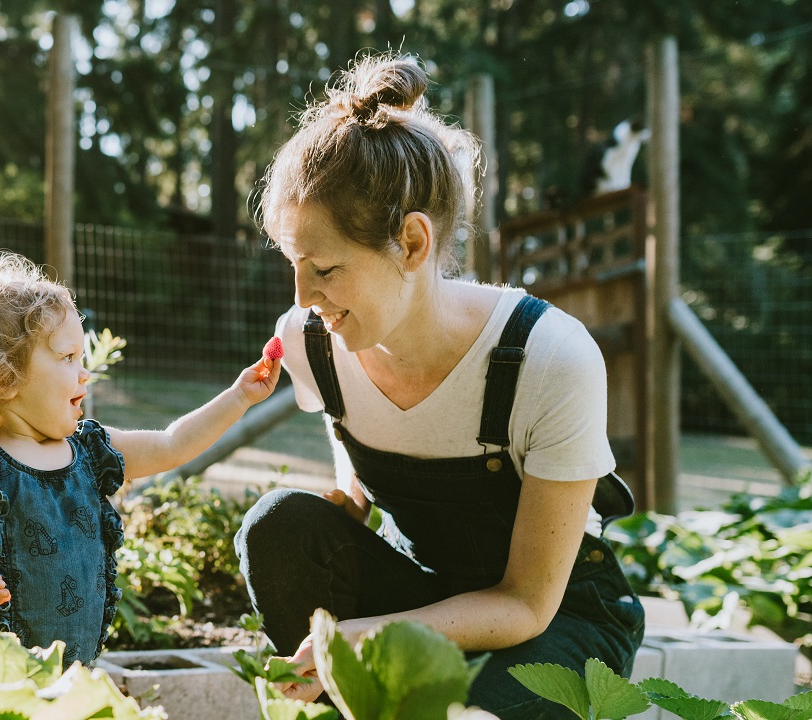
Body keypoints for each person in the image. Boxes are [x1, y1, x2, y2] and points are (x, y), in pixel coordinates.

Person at [234, 55, 644, 718]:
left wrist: (364, 636)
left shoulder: (549, 357)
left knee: (459, 711)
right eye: (293, 265)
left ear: (413, 242)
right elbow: (357, 441)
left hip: (551, 621)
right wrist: (350, 500)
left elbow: (525, 603)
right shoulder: (315, 341)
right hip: (426, 593)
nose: (304, 296)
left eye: (325, 268)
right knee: (278, 526)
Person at [0, 251, 282, 666]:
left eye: (82, 358)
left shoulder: (89, 450)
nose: (84, 373)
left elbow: (173, 445)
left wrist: (240, 396)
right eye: (67, 358)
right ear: (4, 378)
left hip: (75, 672)